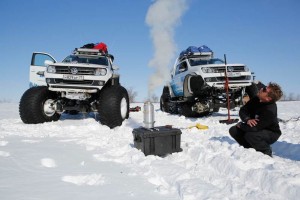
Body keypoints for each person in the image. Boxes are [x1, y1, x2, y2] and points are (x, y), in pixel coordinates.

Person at [229, 82, 283, 157]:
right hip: (257, 128)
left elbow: (255, 128)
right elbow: (243, 110)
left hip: (271, 132)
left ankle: (266, 152)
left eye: (264, 90)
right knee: (234, 130)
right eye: (264, 87)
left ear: (268, 98)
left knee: (251, 135)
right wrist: (247, 119)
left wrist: (241, 125)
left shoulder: (269, 110)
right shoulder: (256, 99)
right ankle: (249, 149)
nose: (261, 89)